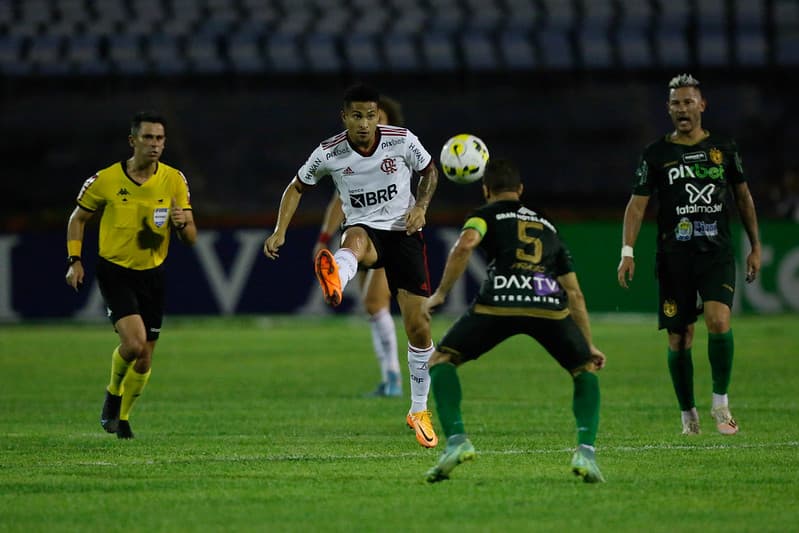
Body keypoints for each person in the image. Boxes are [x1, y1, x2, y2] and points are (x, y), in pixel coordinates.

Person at [264, 84, 440, 448]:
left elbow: (429, 171)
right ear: (344, 117)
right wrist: (280, 231)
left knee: (419, 327)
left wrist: (421, 206)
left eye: (370, 116)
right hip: (365, 230)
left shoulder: (401, 140)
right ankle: (337, 278)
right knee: (354, 240)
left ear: (378, 116)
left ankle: (418, 410)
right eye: (357, 116)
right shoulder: (329, 152)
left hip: (404, 234)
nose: (364, 123)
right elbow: (296, 187)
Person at [422, 158, 606, 483]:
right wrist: (587, 344)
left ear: (486, 190)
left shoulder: (484, 215)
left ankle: (457, 441)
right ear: (520, 190)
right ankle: (586, 453)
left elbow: (466, 244)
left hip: (499, 301)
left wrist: (440, 294)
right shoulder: (547, 225)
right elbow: (574, 293)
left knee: (442, 360)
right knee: (584, 370)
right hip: (547, 302)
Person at [617, 74, 761, 436]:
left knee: (719, 320)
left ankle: (721, 404)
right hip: (674, 257)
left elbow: (743, 198)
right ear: (668, 109)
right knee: (679, 338)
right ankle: (688, 415)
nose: (682, 109)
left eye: (688, 102)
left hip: (716, 253)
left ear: (702, 105)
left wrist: (755, 246)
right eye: (675, 103)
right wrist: (627, 251)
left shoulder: (724, 148)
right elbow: (636, 206)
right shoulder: (656, 154)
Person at [65, 111, 197, 439]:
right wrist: (74, 260)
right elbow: (78, 219)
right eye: (148, 137)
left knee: (145, 357)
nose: (155, 144)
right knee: (135, 344)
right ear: (132, 141)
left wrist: (183, 224)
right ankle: (113, 393)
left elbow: (191, 238)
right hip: (115, 271)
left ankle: (122, 418)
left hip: (153, 274)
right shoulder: (105, 180)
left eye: (160, 138)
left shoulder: (174, 180)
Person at [312, 95, 405, 398]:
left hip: (391, 236)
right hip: (361, 235)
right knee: (372, 307)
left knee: (375, 303)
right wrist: (324, 239)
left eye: (377, 118)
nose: (369, 125)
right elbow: (338, 201)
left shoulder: (398, 154)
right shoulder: (351, 158)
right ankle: (389, 377)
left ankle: (395, 378)